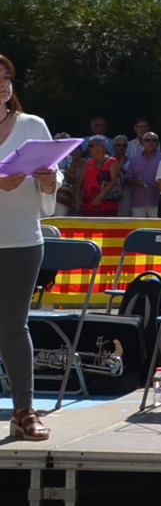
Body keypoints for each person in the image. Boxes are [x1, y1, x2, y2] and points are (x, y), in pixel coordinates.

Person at [0, 55, 63, 442]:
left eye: (7, 76)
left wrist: (49, 180)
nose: (3, 84)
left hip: (23, 239)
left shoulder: (33, 126)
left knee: (13, 326)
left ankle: (24, 411)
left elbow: (50, 188)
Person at [72, 135, 120, 217]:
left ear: (102, 147)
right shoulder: (88, 162)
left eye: (91, 146)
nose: (89, 149)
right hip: (87, 201)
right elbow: (80, 182)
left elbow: (113, 181)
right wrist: (77, 198)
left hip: (106, 201)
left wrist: (100, 196)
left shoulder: (112, 162)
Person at [120, 130, 161, 217]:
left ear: (157, 143)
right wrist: (135, 181)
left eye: (153, 140)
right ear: (143, 143)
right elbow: (127, 178)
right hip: (138, 201)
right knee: (138, 228)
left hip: (157, 201)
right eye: (147, 140)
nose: (150, 142)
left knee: (156, 229)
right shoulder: (135, 160)